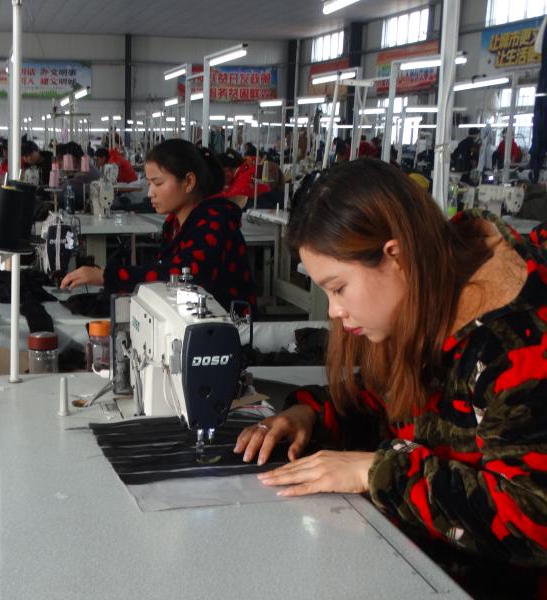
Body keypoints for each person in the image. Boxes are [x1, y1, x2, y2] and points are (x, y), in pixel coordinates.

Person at [234, 158, 547, 569]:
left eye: (338, 288)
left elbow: (533, 519)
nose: (334, 311)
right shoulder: (429, 301)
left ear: (395, 256)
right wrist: (310, 415)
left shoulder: (518, 348)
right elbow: (389, 400)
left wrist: (376, 472)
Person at [61, 138, 256, 311]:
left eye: (158, 183)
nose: (150, 193)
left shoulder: (215, 222)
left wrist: (107, 276)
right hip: (191, 319)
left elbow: (183, 277)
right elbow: (165, 271)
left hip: (232, 328)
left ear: (189, 182)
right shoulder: (174, 224)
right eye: (149, 184)